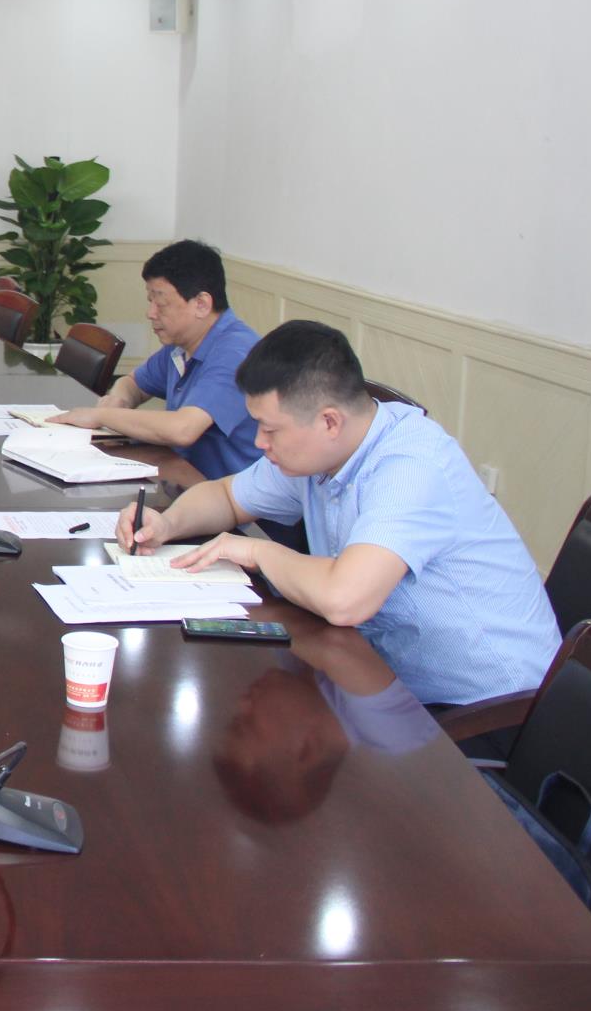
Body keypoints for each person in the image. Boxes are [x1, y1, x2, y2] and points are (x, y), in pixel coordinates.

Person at [119, 320, 560, 706]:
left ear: (329, 421)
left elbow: (345, 599)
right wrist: (168, 523)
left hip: (484, 707)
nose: (259, 443)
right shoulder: (320, 452)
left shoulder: (410, 467)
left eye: (270, 429)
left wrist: (256, 552)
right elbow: (227, 498)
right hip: (383, 677)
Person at [50, 240, 261, 480]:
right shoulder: (181, 345)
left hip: (231, 496)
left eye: (160, 303)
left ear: (201, 304)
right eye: (149, 301)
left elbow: (183, 429)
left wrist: (101, 416)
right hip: (181, 478)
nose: (150, 313)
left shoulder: (236, 353)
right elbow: (132, 383)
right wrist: (118, 400)